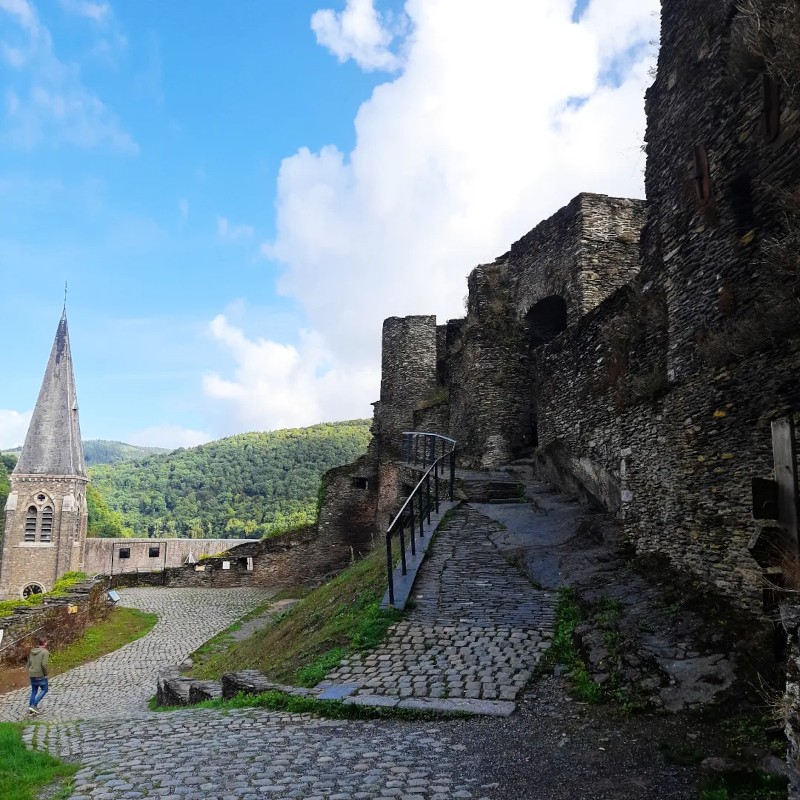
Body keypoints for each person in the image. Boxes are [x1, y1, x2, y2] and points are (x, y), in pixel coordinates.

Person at [27, 636, 49, 715]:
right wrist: (46, 674)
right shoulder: (45, 652)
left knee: (34, 691)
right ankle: (34, 705)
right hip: (40, 674)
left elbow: (28, 664)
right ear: (45, 643)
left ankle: (30, 708)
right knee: (45, 689)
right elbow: (44, 664)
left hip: (32, 674)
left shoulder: (32, 651)